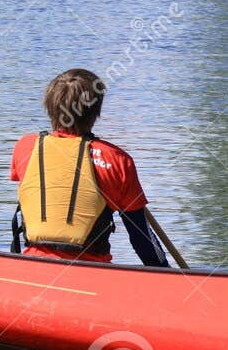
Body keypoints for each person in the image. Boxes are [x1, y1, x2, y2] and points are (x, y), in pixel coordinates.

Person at [10, 69, 168, 268]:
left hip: (32, 265)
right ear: (96, 112)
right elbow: (142, 239)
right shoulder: (118, 160)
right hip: (92, 271)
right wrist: (167, 274)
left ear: (49, 107)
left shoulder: (24, 147)